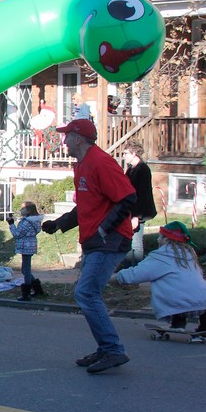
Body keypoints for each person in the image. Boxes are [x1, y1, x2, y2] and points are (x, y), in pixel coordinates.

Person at [41, 118, 137, 374]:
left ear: (78, 138)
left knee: (86, 293)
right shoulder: (82, 165)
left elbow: (128, 197)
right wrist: (59, 223)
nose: (64, 141)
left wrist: (106, 228)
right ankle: (107, 348)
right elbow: (86, 204)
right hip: (96, 240)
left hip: (110, 240)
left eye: (67, 136)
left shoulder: (100, 162)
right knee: (87, 293)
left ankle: (113, 349)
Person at [111, 221, 206, 340]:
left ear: (167, 239)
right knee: (188, 289)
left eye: (160, 236)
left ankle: (178, 323)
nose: (158, 240)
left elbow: (137, 274)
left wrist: (113, 278)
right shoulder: (189, 255)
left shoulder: (161, 257)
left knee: (175, 292)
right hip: (205, 299)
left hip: (178, 300)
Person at [121, 141, 157, 268]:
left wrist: (137, 216)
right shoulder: (131, 169)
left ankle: (137, 271)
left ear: (134, 153)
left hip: (139, 212)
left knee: (136, 243)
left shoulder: (143, 169)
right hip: (129, 211)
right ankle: (128, 270)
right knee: (128, 241)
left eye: (126, 153)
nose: (123, 156)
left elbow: (143, 195)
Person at [8, 201, 45, 301]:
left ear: (28, 210)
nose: (21, 210)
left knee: (25, 269)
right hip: (31, 245)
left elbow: (16, 234)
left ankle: (27, 293)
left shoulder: (26, 222)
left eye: (23, 208)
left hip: (25, 246)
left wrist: (11, 224)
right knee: (25, 269)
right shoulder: (34, 221)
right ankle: (37, 289)